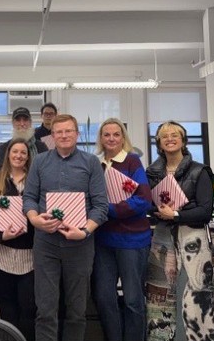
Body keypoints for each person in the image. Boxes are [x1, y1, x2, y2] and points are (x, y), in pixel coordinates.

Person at [23, 114, 108, 341]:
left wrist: (85, 231)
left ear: (77, 134)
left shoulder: (91, 163)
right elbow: (29, 198)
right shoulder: (40, 162)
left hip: (80, 245)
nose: (63, 135)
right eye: (58, 132)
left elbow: (101, 206)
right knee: (45, 309)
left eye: (68, 131)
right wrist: (34, 219)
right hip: (46, 244)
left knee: (77, 310)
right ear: (52, 136)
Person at [145, 121, 214, 341]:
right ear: (159, 142)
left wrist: (176, 214)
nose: (170, 139)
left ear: (183, 140)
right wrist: (159, 210)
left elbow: (205, 211)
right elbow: (146, 205)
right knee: (160, 295)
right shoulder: (151, 173)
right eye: (164, 136)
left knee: (196, 294)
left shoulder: (200, 171)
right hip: (162, 238)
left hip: (192, 238)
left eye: (175, 135)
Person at [91, 118, 152, 341]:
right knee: (104, 298)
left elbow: (143, 200)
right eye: (106, 134)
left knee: (133, 299)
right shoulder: (96, 165)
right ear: (100, 138)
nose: (111, 139)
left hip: (132, 241)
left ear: (123, 137)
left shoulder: (132, 162)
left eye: (116, 134)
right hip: (103, 241)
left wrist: (107, 210)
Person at [0, 138, 36, 341]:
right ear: (8, 155)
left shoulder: (35, 182)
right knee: (7, 305)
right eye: (15, 152)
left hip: (30, 256)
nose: (19, 156)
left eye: (23, 152)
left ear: (28, 157)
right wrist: (0, 235)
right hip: (3, 254)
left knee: (28, 306)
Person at [0, 107, 48, 171]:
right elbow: (1, 172)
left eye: (25, 120)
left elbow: (47, 170)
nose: (22, 124)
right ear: (13, 123)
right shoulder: (4, 148)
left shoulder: (41, 147)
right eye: (18, 120)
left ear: (30, 123)